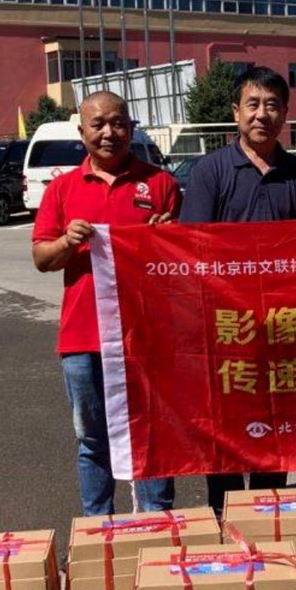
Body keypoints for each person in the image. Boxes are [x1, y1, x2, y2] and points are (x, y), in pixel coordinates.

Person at [180, 66, 296, 513]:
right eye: (253, 104)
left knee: (275, 427)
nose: (262, 114)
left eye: (272, 106)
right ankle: (222, 516)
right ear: (236, 112)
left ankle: (268, 513)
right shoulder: (210, 172)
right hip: (225, 327)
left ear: (285, 114)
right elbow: (191, 249)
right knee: (223, 428)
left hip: (282, 328)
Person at [32, 90, 180, 515]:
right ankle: (99, 528)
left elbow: (181, 264)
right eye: (98, 124)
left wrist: (168, 238)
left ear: (131, 129)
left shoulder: (161, 184)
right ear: (82, 133)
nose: (109, 132)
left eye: (117, 123)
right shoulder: (62, 190)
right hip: (84, 338)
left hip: (147, 337)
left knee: (151, 433)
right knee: (92, 439)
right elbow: (42, 259)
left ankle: (157, 523)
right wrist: (67, 241)